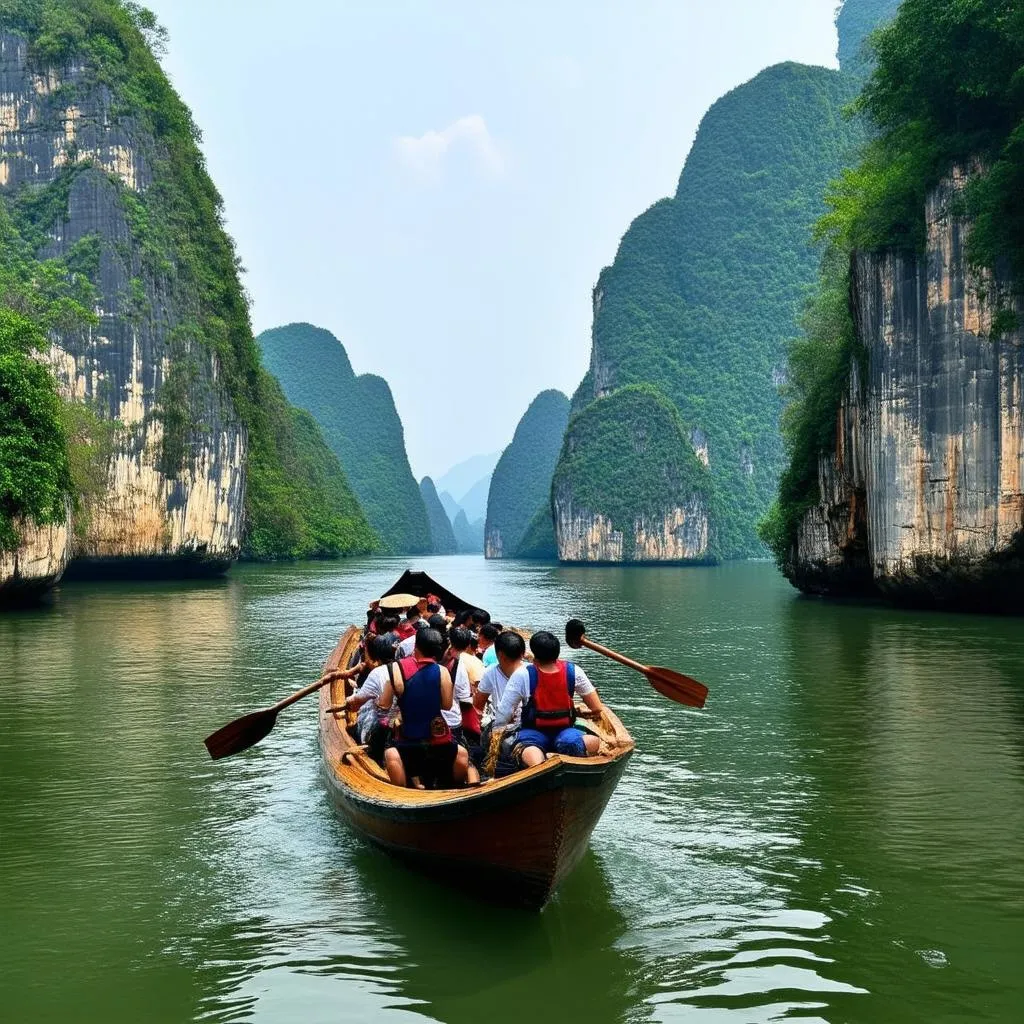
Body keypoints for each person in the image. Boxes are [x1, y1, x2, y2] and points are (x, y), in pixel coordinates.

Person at [377, 628, 472, 789]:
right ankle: (453, 786)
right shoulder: (442, 672)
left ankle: (403, 790)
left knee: (390, 754)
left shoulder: (395, 669)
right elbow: (447, 705)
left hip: (408, 740)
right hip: (438, 740)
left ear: (416, 645)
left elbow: (384, 705)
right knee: (462, 753)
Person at [493, 630, 603, 768]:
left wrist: (497, 732)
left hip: (533, 732)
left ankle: (540, 768)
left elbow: (504, 714)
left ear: (534, 654)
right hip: (565, 733)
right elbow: (597, 708)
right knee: (583, 741)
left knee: (528, 749)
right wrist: (579, 712)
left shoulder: (522, 674)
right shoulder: (573, 671)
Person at [340, 635, 398, 762]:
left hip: (382, 728)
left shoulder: (377, 673)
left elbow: (356, 703)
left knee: (352, 728)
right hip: (400, 724)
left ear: (374, 658)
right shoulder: (401, 666)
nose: (365, 660)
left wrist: (348, 702)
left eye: (366, 655)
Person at [442, 626, 482, 748]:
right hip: (450, 718)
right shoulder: (459, 667)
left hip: (429, 715)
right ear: (466, 647)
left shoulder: (436, 656)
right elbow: (464, 698)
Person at [474, 630, 526, 721]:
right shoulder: (531, 671)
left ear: (499, 655)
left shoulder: (490, 671)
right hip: (527, 727)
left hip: (502, 726)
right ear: (523, 654)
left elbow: (478, 706)